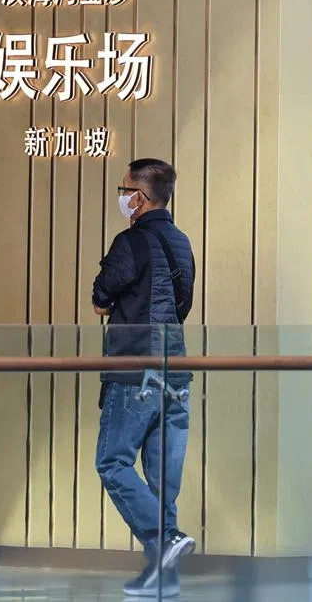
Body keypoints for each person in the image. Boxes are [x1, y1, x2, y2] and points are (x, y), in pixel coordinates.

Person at [92, 158, 197, 598]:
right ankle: (163, 577)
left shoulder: (131, 241)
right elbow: (182, 305)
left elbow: (101, 298)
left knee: (112, 462)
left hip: (135, 370)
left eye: (125, 189)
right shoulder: (182, 243)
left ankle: (165, 539)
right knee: (163, 482)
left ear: (141, 196)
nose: (122, 197)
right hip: (177, 372)